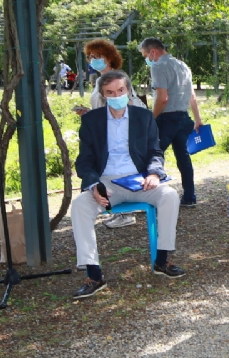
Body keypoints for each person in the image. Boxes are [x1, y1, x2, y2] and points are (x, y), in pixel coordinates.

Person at [70, 70, 185, 299]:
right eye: (110, 92)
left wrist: (154, 173)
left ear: (128, 90)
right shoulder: (91, 121)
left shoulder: (143, 117)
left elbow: (155, 151)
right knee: (80, 206)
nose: (117, 95)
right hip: (107, 183)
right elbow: (84, 161)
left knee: (170, 196)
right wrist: (93, 186)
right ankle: (94, 274)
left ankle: (162, 260)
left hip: (140, 180)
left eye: (121, 90)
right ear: (103, 95)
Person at [74, 39, 146, 228]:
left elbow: (124, 105)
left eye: (98, 56)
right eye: (90, 57)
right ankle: (119, 208)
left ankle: (126, 212)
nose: (93, 60)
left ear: (109, 57)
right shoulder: (100, 80)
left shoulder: (116, 77)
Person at [140, 38, 204, 208]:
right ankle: (190, 196)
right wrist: (198, 119)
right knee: (183, 158)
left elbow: (162, 99)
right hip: (184, 117)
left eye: (145, 55)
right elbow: (192, 95)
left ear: (153, 51)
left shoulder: (158, 66)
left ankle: (146, 195)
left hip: (166, 118)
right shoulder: (183, 66)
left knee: (152, 155)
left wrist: (151, 118)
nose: (147, 59)